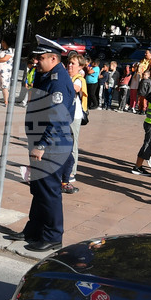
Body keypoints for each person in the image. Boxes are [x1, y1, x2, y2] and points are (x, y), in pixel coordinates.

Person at [4, 36, 76, 252]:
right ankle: (34, 229)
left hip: (52, 146)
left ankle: (53, 236)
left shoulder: (58, 81)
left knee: (49, 191)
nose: (36, 61)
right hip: (41, 142)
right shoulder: (47, 75)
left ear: (54, 58)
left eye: (41, 57)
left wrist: (42, 145)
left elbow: (58, 118)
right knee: (39, 190)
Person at [62, 52, 88, 194]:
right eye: (69, 63)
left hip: (74, 116)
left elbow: (74, 90)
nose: (70, 65)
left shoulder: (78, 79)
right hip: (64, 114)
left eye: (73, 63)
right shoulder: (68, 76)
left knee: (73, 144)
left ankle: (71, 172)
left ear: (80, 67)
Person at [0, 39, 15, 107]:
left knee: (4, 86)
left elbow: (5, 59)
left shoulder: (10, 50)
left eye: (3, 42)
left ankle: (6, 101)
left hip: (5, 71)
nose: (1, 43)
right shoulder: (1, 50)